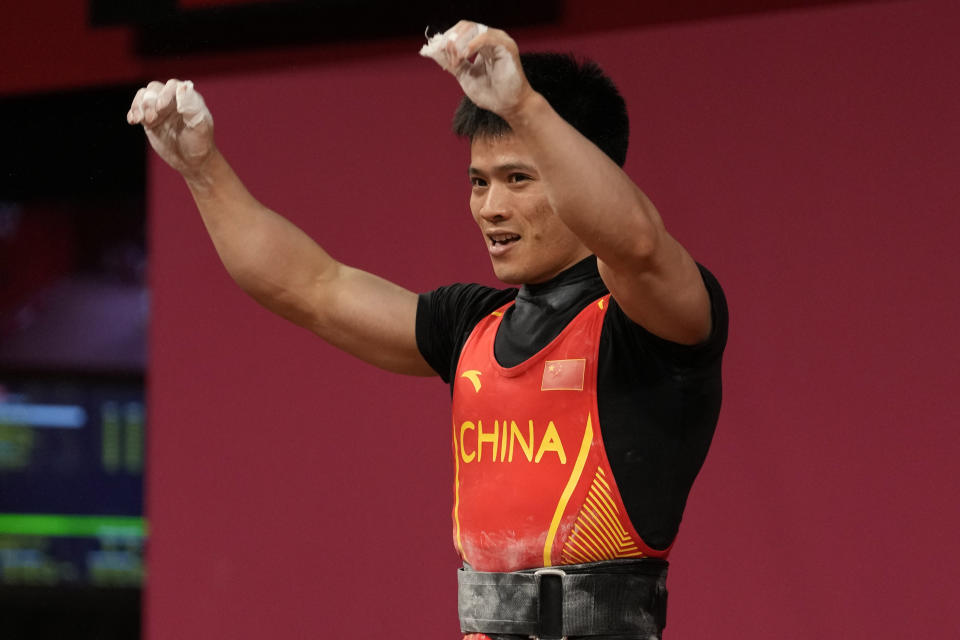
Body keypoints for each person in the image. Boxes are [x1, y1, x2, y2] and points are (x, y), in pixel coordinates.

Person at [128, 20, 727, 640]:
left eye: (518, 178)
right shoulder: (469, 325)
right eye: (479, 181)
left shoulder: (650, 324)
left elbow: (634, 243)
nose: (490, 207)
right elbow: (310, 287)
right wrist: (202, 171)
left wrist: (523, 104)